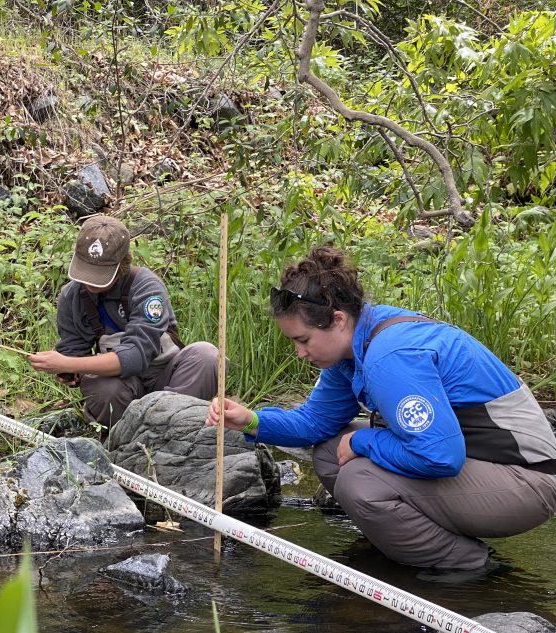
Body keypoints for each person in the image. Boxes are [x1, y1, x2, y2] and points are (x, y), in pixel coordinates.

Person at [206, 245, 556, 572]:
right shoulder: (355, 347)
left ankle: (465, 566)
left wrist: (363, 443)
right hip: (482, 463)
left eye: (303, 340)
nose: (300, 353)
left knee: (360, 480)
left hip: (528, 480)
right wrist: (250, 420)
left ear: (338, 320)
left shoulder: (390, 357)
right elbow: (314, 423)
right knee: (330, 452)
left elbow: (439, 457)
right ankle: (409, 542)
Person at [29, 215, 223, 430]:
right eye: (86, 270)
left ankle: (177, 428)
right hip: (121, 386)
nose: (90, 281)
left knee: (206, 355)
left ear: (123, 262)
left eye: (100, 273)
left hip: (166, 376)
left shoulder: (146, 286)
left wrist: (67, 363)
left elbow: (135, 356)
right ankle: (125, 437)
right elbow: (74, 351)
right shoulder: (71, 296)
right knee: (102, 388)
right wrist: (67, 370)